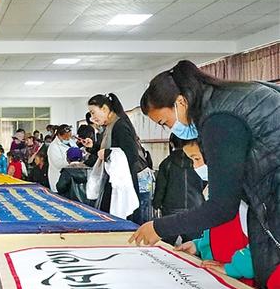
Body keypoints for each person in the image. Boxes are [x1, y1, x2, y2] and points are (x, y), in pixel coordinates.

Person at [131, 60, 280, 289]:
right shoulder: (235, 96)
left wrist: (159, 227)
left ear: (180, 102)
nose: (170, 129)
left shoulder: (219, 119)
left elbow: (222, 207)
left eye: (165, 122)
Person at [86, 93, 148, 223]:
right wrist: (93, 147)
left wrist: (108, 153)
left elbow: (131, 155)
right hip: (112, 182)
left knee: (121, 221)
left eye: (93, 112)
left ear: (104, 109)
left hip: (122, 184)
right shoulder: (109, 126)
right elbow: (107, 151)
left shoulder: (119, 126)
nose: (92, 117)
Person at [152, 134, 205, 245]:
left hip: (171, 210)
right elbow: (204, 181)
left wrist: (156, 204)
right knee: (193, 246)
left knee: (165, 246)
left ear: (172, 144)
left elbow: (161, 188)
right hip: (195, 207)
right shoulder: (198, 161)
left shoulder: (167, 163)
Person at [47, 124, 75, 193]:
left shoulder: (71, 142)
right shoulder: (53, 147)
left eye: (69, 136)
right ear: (59, 135)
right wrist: (71, 161)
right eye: (66, 137)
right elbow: (58, 164)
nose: (68, 139)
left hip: (70, 178)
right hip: (58, 178)